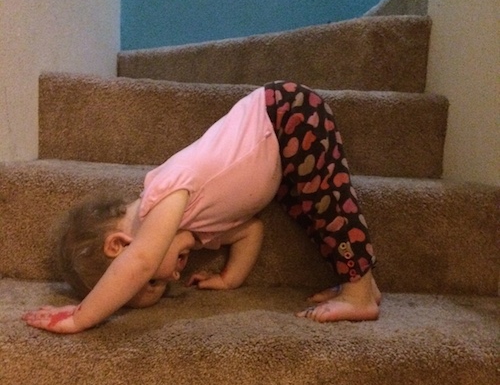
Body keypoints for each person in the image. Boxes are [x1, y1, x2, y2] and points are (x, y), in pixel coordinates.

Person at [23, 81, 380, 334]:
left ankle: (359, 292)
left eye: (153, 281)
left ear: (119, 245)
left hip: (286, 114)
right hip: (282, 153)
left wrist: (82, 317)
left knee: (326, 204)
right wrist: (229, 278)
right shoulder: (196, 227)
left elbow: (143, 259)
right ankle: (362, 280)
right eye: (163, 286)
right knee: (308, 211)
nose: (174, 276)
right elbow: (250, 231)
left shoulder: (160, 197)